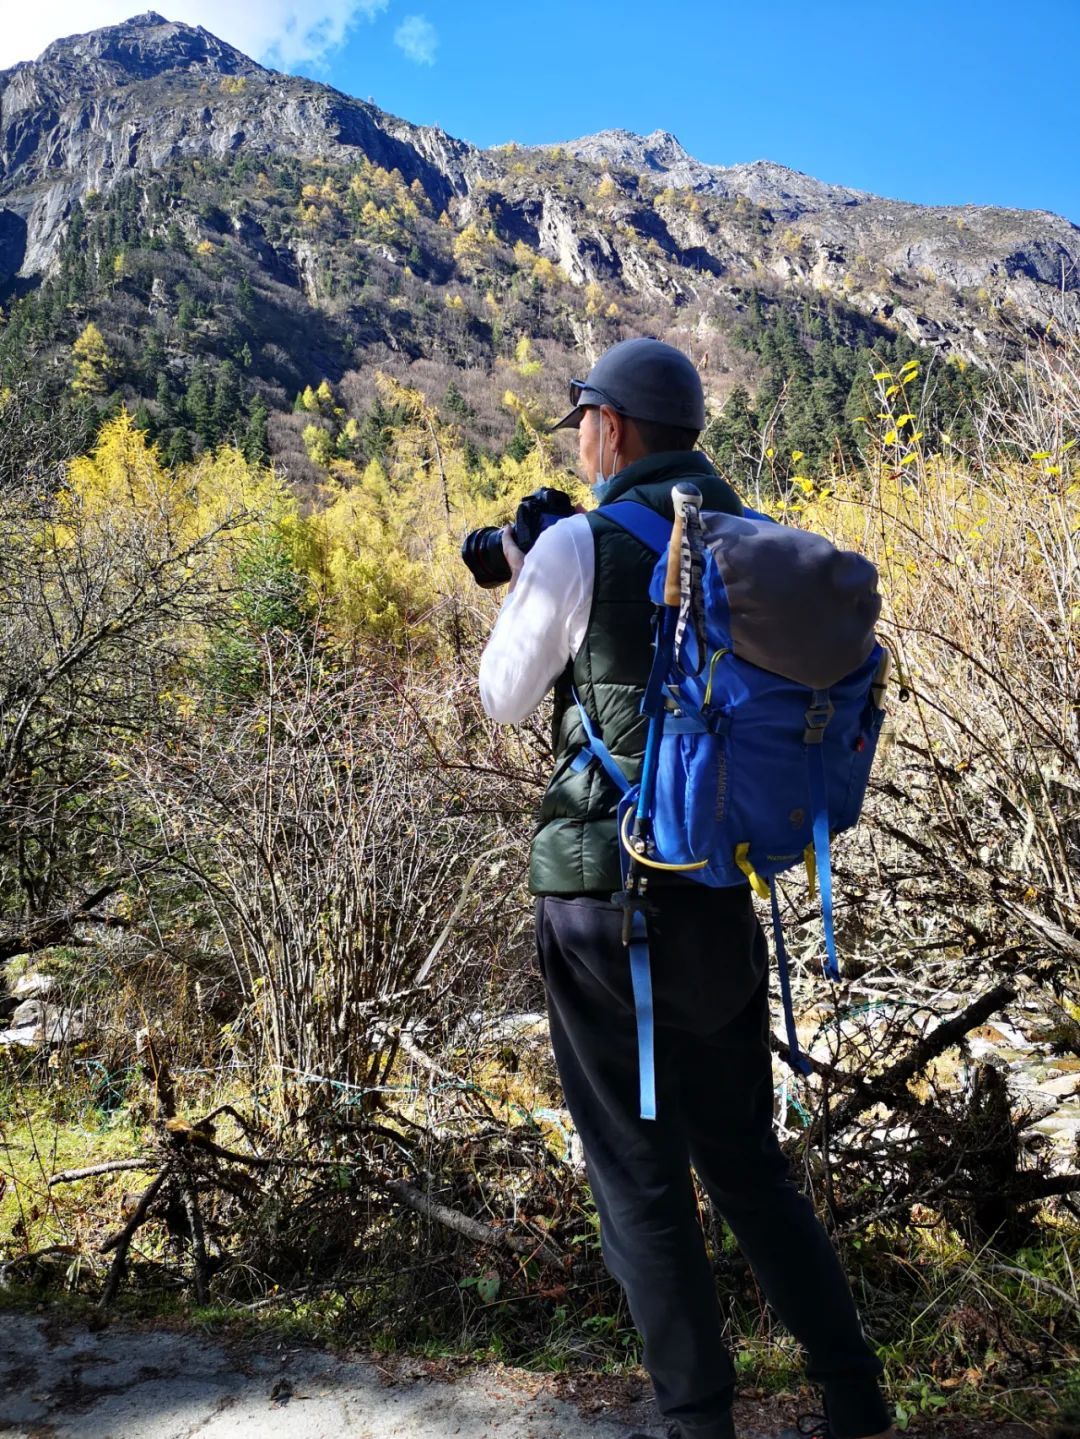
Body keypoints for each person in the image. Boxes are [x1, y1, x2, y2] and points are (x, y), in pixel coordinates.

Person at [478, 337, 895, 1439]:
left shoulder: (581, 543)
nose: (579, 439)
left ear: (610, 430)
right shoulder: (747, 544)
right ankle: (855, 1394)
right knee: (749, 1165)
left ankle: (697, 1418)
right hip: (716, 890)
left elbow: (503, 697)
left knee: (639, 1176)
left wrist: (527, 574)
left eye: (583, 421)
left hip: (600, 902)